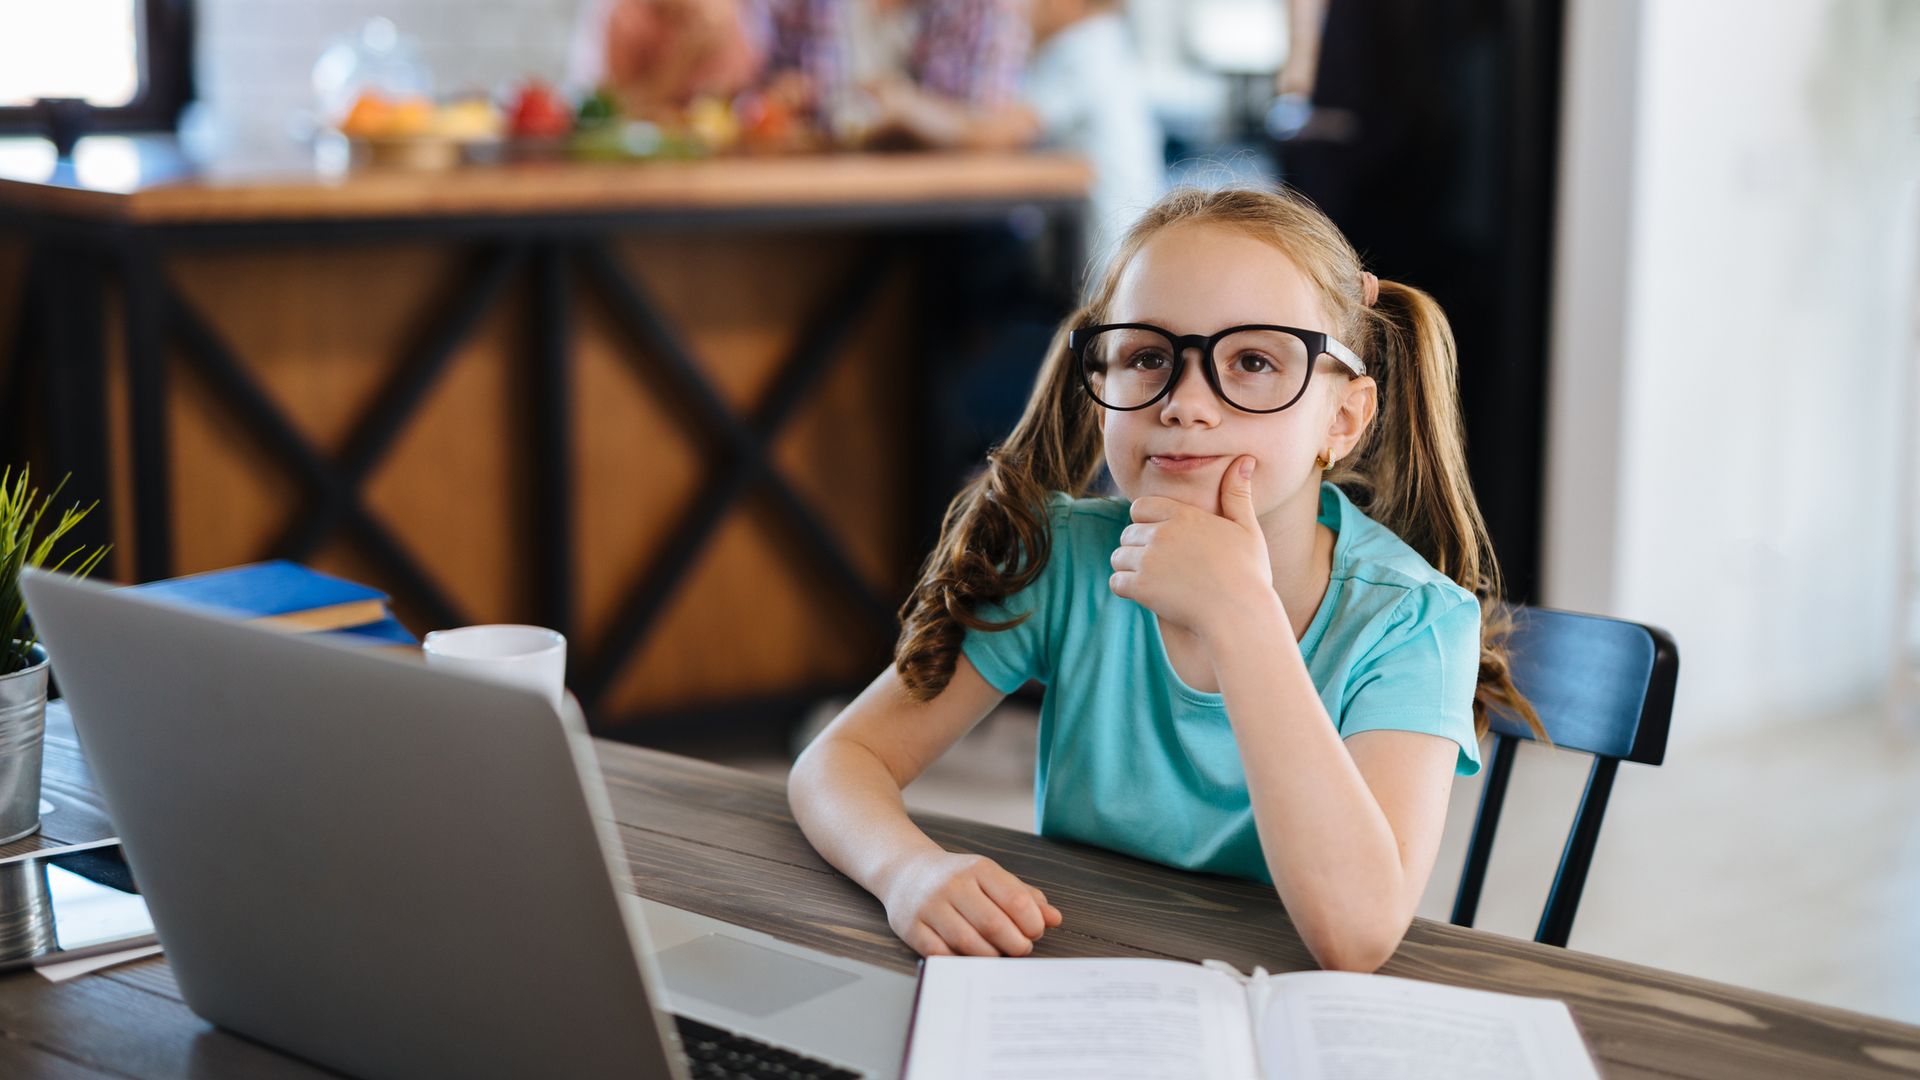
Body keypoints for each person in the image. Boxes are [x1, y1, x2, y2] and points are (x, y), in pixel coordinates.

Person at [786, 184, 1543, 973]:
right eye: (1148, 357)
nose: (1185, 404)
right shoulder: (1066, 560)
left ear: (1343, 421)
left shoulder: (1413, 621)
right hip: (1086, 975)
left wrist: (1238, 613)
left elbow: (1355, 935)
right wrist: (907, 870)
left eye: (1252, 361)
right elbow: (839, 764)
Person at [863, 0, 1164, 264]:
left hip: (1102, 265)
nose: (1022, 10)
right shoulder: (1103, 45)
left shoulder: (1085, 49)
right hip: (1103, 254)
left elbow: (994, 134)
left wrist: (904, 104)